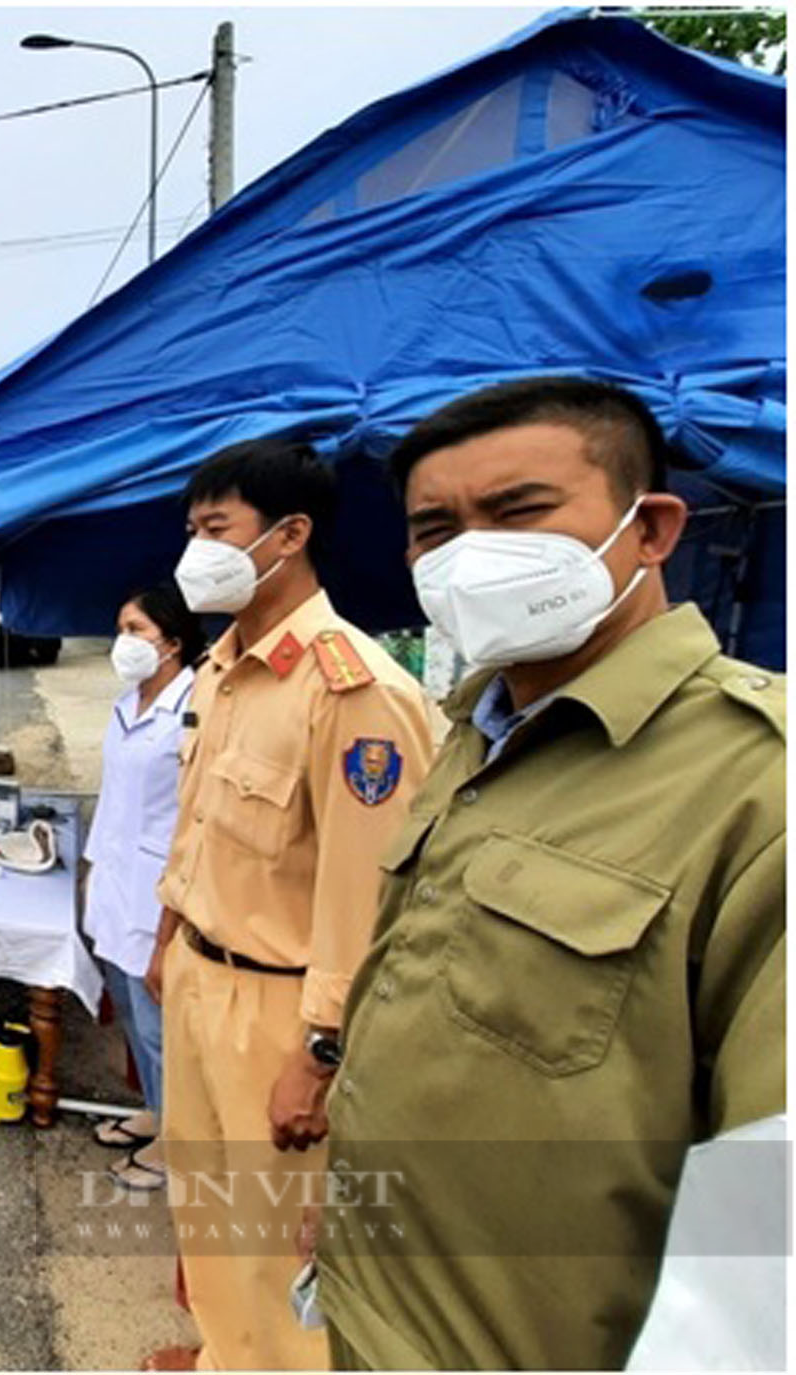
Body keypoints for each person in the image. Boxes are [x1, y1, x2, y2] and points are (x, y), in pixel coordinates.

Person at [310, 377, 785, 1369]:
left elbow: (767, 1245)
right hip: (371, 1312)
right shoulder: (475, 730)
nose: (466, 554)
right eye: (432, 528)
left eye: (517, 511)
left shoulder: (757, 784)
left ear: (650, 528)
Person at [141, 438, 438, 1373]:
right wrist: (165, 940)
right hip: (198, 976)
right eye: (191, 530)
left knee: (280, 1245)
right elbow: (196, 829)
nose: (197, 551)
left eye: (216, 529)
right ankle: (226, 1355)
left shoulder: (353, 690)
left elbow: (372, 899)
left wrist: (319, 1057)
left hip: (280, 1013)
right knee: (207, 1210)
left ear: (290, 534)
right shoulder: (223, 667)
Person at [82, 582, 204, 1191]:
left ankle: (176, 1146)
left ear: (174, 642)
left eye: (136, 631)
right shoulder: (127, 704)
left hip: (158, 895)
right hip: (114, 882)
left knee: (161, 1028)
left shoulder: (195, 710)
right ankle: (157, 1114)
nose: (122, 642)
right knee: (131, 1013)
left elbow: (195, 816)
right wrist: (90, 868)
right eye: (120, 629)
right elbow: (113, 798)